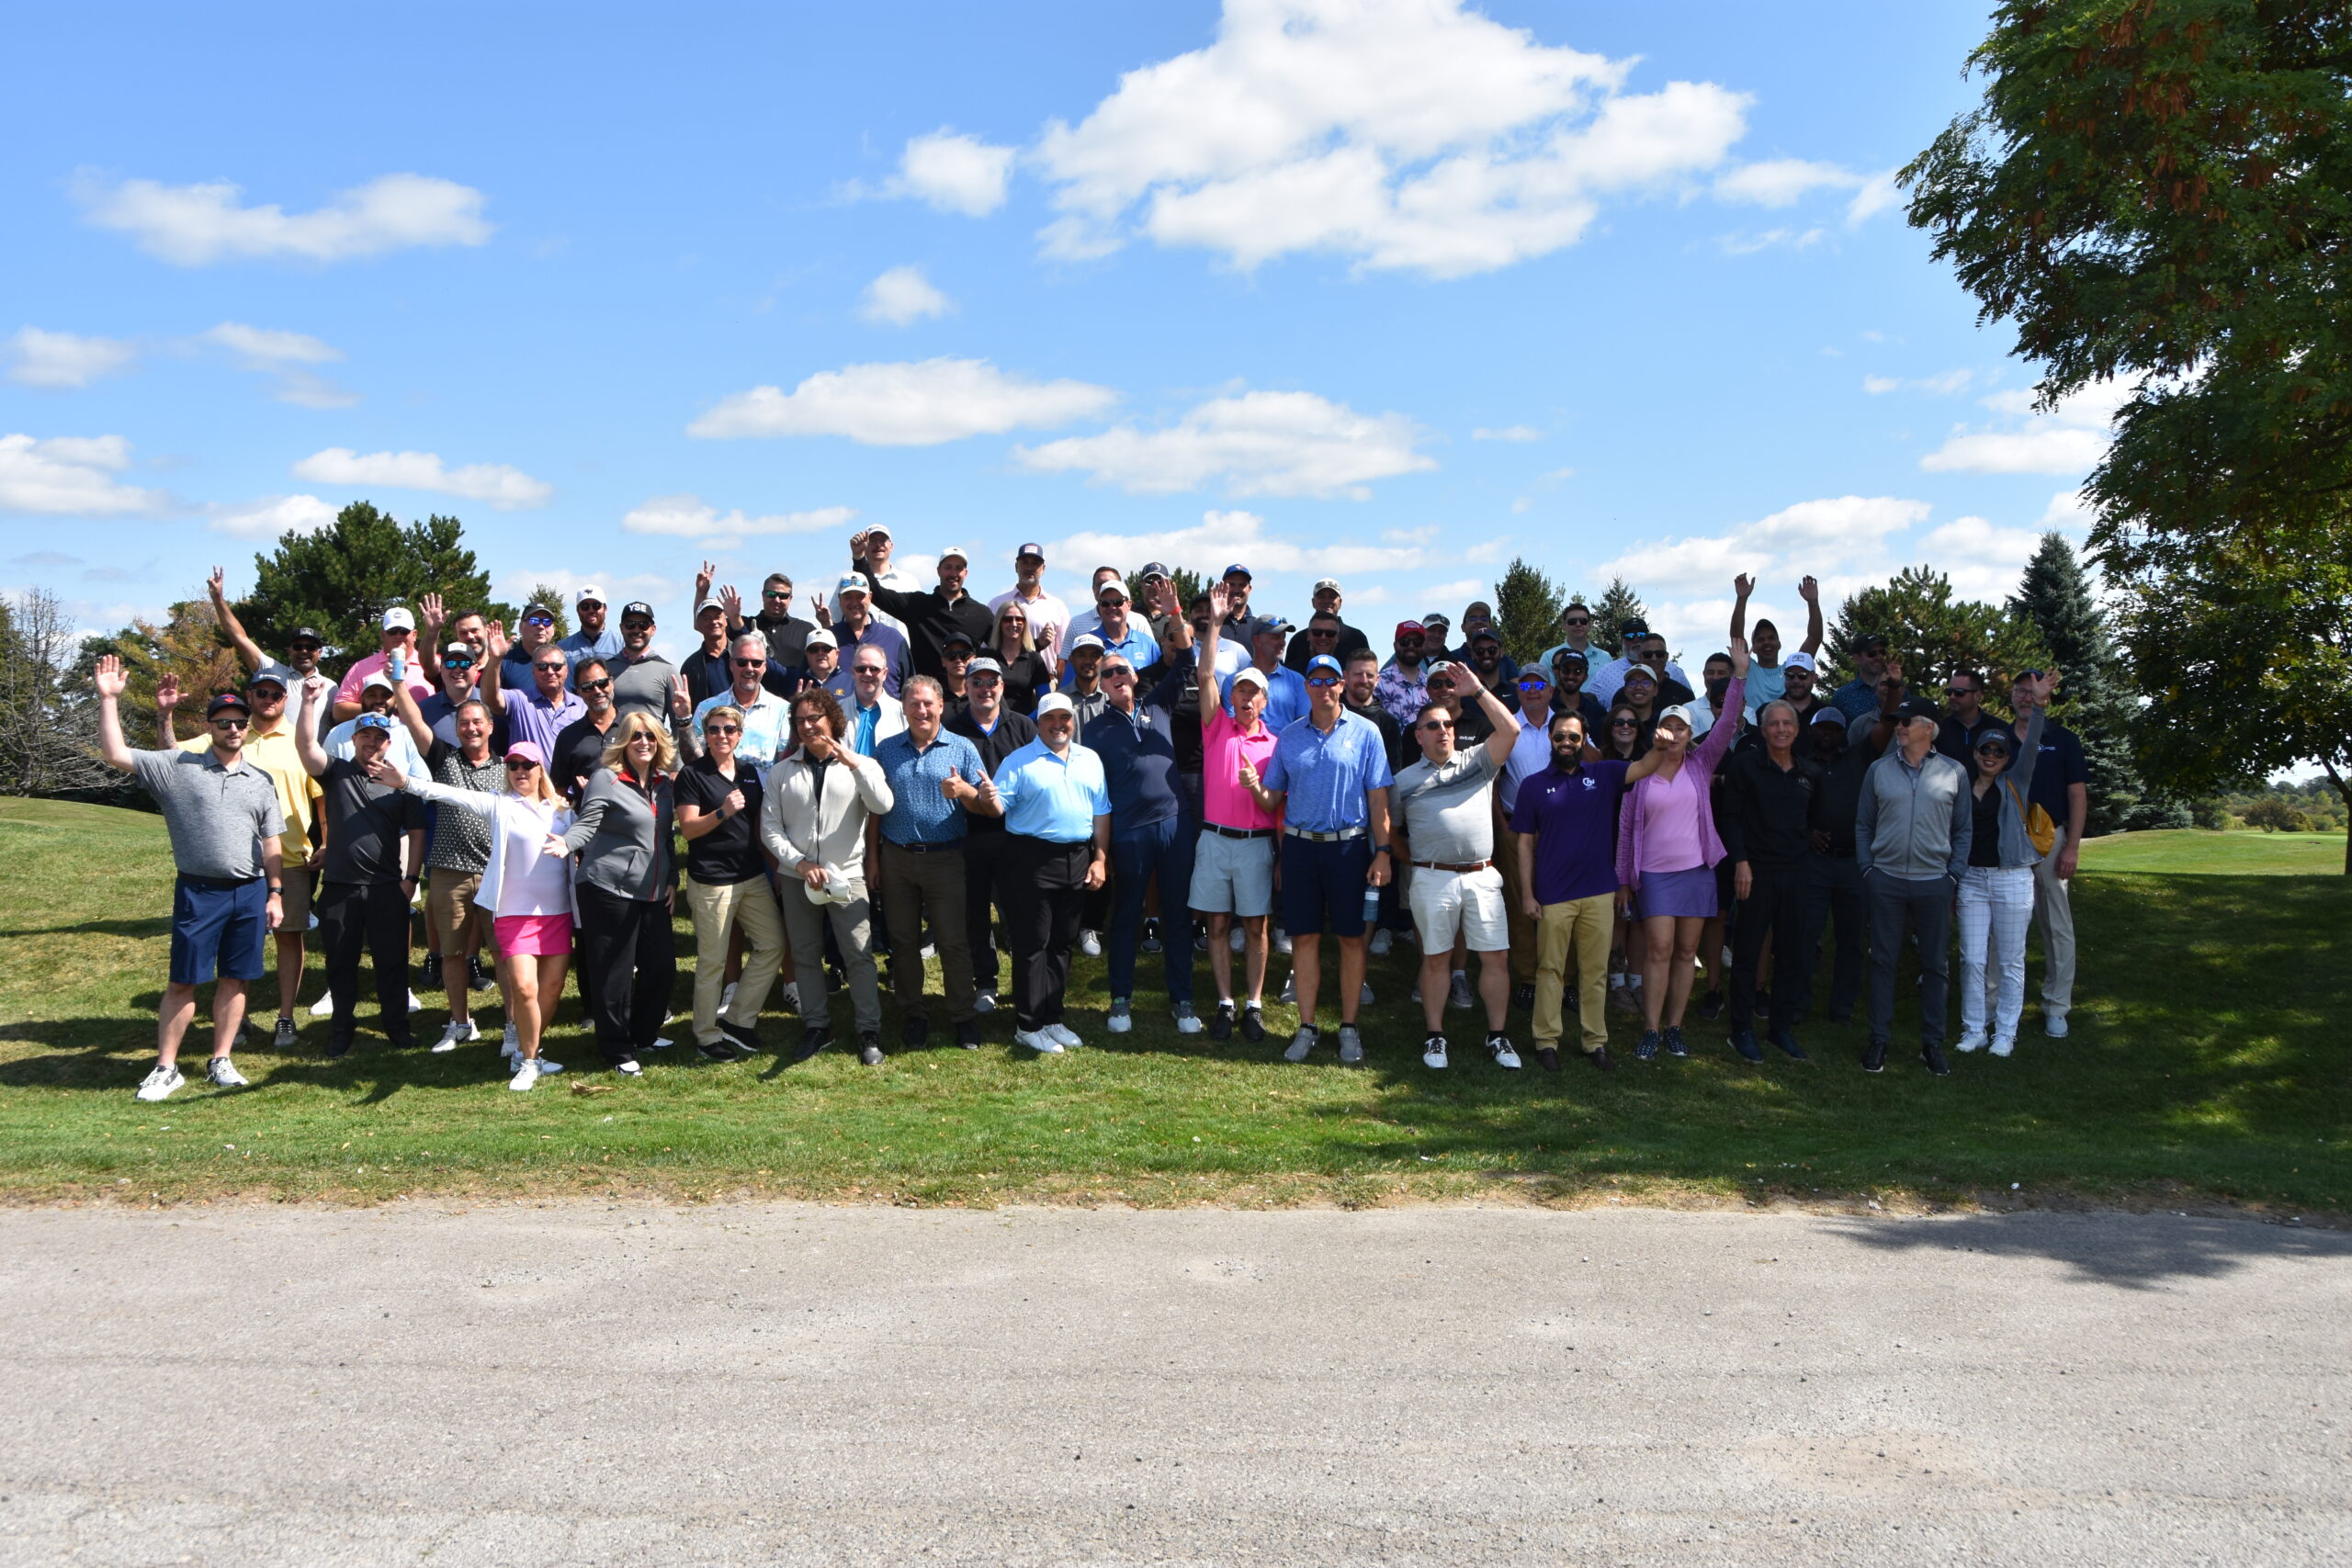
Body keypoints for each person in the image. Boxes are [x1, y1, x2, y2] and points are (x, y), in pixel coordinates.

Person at [95, 657, 286, 1101]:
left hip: (250, 891)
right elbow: (115, 754)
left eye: (239, 722)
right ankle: (166, 1067)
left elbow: (272, 842)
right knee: (184, 981)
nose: (233, 729)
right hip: (200, 891)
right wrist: (108, 700)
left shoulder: (260, 780)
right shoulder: (178, 768)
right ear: (210, 726)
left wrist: (275, 893)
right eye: (223, 722)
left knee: (237, 979)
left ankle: (220, 1059)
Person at [370, 740, 576, 1089]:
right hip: (513, 913)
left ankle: (530, 1049)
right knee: (525, 989)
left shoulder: (562, 810)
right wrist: (405, 782)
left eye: (527, 764)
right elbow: (448, 793)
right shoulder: (499, 805)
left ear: (541, 769)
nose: (520, 772)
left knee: (551, 989)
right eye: (513, 766)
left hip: (557, 915)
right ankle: (528, 1062)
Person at [1241, 653, 1395, 1065]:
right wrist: (1256, 788)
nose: (1324, 688)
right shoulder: (1289, 736)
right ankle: (1306, 1026)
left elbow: (1379, 798)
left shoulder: (1366, 733)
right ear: (1306, 686)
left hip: (1349, 848)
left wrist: (1383, 851)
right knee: (1304, 939)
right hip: (1300, 849)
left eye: (1331, 681)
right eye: (1316, 680)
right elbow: (1274, 797)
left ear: (1342, 684)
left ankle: (1348, 1028)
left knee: (1351, 939)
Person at [162, 663, 321, 1051]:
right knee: (238, 949)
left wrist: (327, 841)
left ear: (286, 699)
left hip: (290, 858)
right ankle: (240, 1020)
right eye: (261, 693)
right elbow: (169, 755)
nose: (268, 699)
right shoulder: (225, 733)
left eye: (276, 694)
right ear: (250, 698)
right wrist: (164, 715)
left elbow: (321, 795)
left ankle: (285, 1017)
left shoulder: (299, 740)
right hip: (233, 866)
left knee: (288, 940)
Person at [1614, 640, 1749, 1061]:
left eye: (1682, 728)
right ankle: (1651, 1029)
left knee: (1688, 953)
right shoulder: (1642, 771)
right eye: (1667, 727)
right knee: (1658, 949)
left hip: (1696, 871)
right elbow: (1624, 830)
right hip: (1654, 874)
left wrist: (1740, 676)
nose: (1674, 734)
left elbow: (1728, 722)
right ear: (1657, 730)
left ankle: (1675, 1027)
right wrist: (1623, 880)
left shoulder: (1701, 763)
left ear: (1691, 735)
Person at [1393, 665, 1521, 1072]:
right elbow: (1386, 829)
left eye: (1447, 724)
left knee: (1496, 958)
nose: (1442, 731)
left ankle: (1498, 1036)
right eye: (1432, 726)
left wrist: (1479, 690)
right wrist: (1412, 859)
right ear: (1419, 736)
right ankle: (1435, 1036)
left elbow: (1511, 731)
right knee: (1436, 959)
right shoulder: (1403, 781)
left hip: (1482, 876)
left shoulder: (1477, 762)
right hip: (1432, 877)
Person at [292, 678, 426, 1059]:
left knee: (392, 965)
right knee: (340, 965)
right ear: (354, 739)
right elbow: (305, 747)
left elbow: (417, 833)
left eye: (379, 737)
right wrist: (308, 703)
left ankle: (396, 1027)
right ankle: (341, 1028)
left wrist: (410, 879)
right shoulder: (335, 773)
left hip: (387, 888)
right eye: (365, 735)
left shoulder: (401, 783)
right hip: (339, 887)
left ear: (389, 742)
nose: (372, 742)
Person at [762, 688, 896, 1063]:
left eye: (814, 719)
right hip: (797, 876)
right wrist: (800, 864)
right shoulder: (782, 771)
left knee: (858, 955)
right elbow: (770, 828)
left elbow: (882, 804)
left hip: (848, 875)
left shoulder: (862, 764)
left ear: (832, 721)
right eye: (800, 721)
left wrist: (851, 762)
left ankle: (869, 1030)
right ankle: (817, 1026)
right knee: (804, 954)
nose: (807, 727)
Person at [1856, 695, 1974, 1075]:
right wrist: (1868, 870)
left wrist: (1952, 875)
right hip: (1886, 880)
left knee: (1935, 965)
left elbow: (1963, 830)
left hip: (1933, 882)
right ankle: (1879, 1040)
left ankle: (1932, 1043)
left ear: (1929, 728)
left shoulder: (1954, 772)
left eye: (1908, 720)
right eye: (1897, 721)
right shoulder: (1878, 770)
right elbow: (1864, 825)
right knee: (1882, 961)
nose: (1900, 727)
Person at [559, 711, 682, 1075]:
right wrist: (566, 844)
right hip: (606, 888)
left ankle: (643, 1034)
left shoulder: (662, 783)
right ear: (624, 742)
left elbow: (664, 838)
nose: (643, 742)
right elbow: (588, 821)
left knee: (661, 967)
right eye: (636, 736)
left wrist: (672, 877)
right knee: (614, 972)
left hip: (654, 891)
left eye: (650, 736)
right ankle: (616, 1048)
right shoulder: (605, 778)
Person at [873, 677, 991, 1051]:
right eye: (914, 704)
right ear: (904, 708)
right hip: (896, 857)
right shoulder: (887, 750)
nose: (921, 711)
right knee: (904, 941)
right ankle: (913, 1014)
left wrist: (966, 792)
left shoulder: (962, 748)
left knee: (954, 941)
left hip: (946, 858)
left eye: (928, 703)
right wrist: (872, 858)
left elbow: (982, 805)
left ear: (941, 705)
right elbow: (875, 808)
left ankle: (963, 1016)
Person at [386, 678, 504, 1049]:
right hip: (448, 870)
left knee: (504, 954)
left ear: (490, 727)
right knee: (451, 953)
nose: (470, 727)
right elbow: (415, 721)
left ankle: (514, 1027)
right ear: (456, 730)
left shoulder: (510, 766)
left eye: (477, 721)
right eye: (464, 723)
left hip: (496, 873)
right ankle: (460, 1023)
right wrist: (397, 683)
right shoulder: (442, 759)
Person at [1085, 652, 1199, 1035]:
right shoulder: (1094, 731)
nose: (1116, 677)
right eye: (1108, 674)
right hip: (1129, 832)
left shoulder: (1159, 705)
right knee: (1126, 915)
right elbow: (1094, 794)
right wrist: (1101, 850)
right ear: (1101, 684)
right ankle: (1120, 997)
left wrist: (1175, 611)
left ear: (1134, 676)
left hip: (1174, 823)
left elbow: (1186, 663)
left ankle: (1182, 1000)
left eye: (1122, 670)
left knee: (1178, 914)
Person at [990, 692, 1110, 1053]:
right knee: (1032, 944)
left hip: (1077, 857)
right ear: (1038, 723)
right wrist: (984, 794)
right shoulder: (1019, 760)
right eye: (1050, 719)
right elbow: (998, 806)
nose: (1059, 725)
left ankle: (1053, 1017)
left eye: (1065, 718)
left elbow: (1101, 813)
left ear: (1073, 721)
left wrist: (1100, 859)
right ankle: (1028, 1025)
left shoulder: (1090, 758)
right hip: (1031, 858)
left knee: (1062, 941)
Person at [1512, 711, 1629, 1071]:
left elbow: (1648, 766)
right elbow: (1525, 846)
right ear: (1550, 738)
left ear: (1584, 740)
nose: (1566, 743)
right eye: (1560, 736)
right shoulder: (1532, 785)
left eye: (1574, 738)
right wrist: (1528, 895)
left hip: (1598, 890)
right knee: (1550, 969)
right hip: (1554, 893)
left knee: (1594, 971)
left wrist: (1664, 744)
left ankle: (1595, 1042)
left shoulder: (1604, 774)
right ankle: (1546, 1041)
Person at [675, 702, 788, 1062]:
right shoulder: (692, 775)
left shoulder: (750, 773)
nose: (721, 736)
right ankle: (706, 1036)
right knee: (711, 962)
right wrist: (723, 811)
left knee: (772, 944)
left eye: (728, 729)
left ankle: (738, 1020)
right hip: (712, 882)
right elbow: (689, 830)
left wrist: (775, 871)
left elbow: (757, 828)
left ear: (739, 735)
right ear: (704, 735)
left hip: (752, 875)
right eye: (713, 730)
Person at [1192, 594, 1282, 1041]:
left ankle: (1254, 1005)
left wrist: (1257, 788)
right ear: (1232, 698)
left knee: (1256, 926)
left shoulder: (1274, 744)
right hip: (1214, 840)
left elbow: (1272, 806)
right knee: (1218, 924)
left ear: (1264, 701)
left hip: (1256, 843)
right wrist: (1216, 624)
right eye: (1240, 690)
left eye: (1253, 692)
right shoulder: (1217, 728)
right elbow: (1205, 673)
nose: (1246, 698)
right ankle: (1225, 1003)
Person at [1956, 673, 2059, 1056]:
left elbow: (2031, 743)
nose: (1992, 756)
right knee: (1971, 958)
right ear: (1976, 752)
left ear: (2006, 758)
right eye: (1986, 750)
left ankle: (2005, 1032)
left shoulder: (2017, 780)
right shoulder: (1962, 785)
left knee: (2011, 960)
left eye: (1999, 752)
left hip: (2013, 878)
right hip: (1972, 879)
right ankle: (1974, 1028)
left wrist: (2041, 705)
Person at [1719, 699, 1823, 1063]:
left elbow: (1811, 820)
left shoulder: (1809, 772)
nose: (1781, 729)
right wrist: (1741, 863)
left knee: (1793, 952)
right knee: (1747, 953)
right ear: (1762, 732)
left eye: (1787, 723)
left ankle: (1780, 1029)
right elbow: (1730, 818)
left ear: (1796, 729)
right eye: (1773, 724)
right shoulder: (1746, 765)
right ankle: (1741, 1030)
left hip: (1796, 872)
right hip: (1755, 871)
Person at [946, 656, 1036, 1015]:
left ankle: (1024, 984)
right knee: (975, 915)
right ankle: (985, 982)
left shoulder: (1024, 727)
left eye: (992, 682)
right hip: (967, 836)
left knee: (1019, 914)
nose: (985, 688)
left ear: (1002, 686)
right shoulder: (952, 729)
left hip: (1015, 836)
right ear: (966, 687)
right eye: (977, 682)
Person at [2008, 669, 2088, 1037]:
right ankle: (1997, 1002)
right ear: (2012, 696)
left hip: (2050, 838)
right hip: (2005, 839)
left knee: (2057, 924)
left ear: (2045, 696)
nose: (2026, 697)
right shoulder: (1998, 737)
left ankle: (2057, 1005)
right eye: (2020, 691)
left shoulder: (2063, 740)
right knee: (2002, 921)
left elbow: (2077, 795)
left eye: (2033, 691)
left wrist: (2071, 845)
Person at [1494, 662, 1557, 1009]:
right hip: (1515, 826)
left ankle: (1564, 977)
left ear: (1550, 691)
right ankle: (1530, 978)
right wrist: (1502, 827)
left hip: (1560, 831)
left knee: (1560, 905)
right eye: (1526, 685)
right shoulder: (1507, 726)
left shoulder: (1566, 726)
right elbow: (1492, 779)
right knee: (1520, 906)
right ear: (1518, 691)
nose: (1532, 691)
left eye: (1539, 685)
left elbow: (1592, 762)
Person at [857, 536, 994, 680]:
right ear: (938, 570)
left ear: (966, 573)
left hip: (967, 696)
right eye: (948, 567)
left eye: (959, 568)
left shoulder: (982, 614)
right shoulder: (917, 604)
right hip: (926, 695)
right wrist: (859, 559)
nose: (953, 574)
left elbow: (1004, 649)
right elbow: (879, 594)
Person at [684, 633, 792, 765]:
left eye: (756, 663)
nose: (749, 668)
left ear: (765, 667)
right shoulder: (706, 708)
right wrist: (682, 719)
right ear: (731, 664)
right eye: (742, 662)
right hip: (719, 785)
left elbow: (786, 762)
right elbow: (694, 760)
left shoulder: (783, 709)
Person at [1731, 574, 1824, 716]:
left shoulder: (1792, 670)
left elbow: (1814, 639)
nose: (1767, 642)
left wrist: (1813, 602)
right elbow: (1737, 636)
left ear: (1779, 644)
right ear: (1753, 648)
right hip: (1754, 734)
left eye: (1771, 638)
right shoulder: (1747, 668)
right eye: (1760, 640)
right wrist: (1742, 598)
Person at [493, 638, 587, 773]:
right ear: (533, 671)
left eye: (556, 666)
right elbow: (491, 697)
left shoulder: (582, 707)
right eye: (542, 667)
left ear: (566, 671)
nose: (550, 671)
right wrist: (495, 661)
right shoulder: (519, 700)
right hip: (530, 789)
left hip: (571, 791)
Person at [332, 606, 435, 720]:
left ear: (414, 634)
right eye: (392, 631)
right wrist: (379, 708)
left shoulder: (431, 665)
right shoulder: (361, 668)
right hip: (376, 736)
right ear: (383, 635)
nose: (398, 636)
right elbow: (338, 711)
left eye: (404, 631)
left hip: (422, 736)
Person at [820, 573, 912, 695]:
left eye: (860, 596)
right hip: (839, 713)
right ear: (839, 599)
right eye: (848, 597)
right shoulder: (827, 640)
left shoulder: (894, 639)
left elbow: (910, 688)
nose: (854, 602)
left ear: (870, 597)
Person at [989, 542, 1074, 664]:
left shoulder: (1057, 607)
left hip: (1044, 679)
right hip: (1003, 678)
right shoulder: (996, 604)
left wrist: (1061, 683)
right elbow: (987, 647)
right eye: (1025, 562)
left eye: (1035, 563)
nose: (1029, 568)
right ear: (1016, 567)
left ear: (1043, 569)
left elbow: (1064, 655)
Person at [548, 657, 617, 803]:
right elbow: (559, 789)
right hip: (586, 821)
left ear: (612, 683)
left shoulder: (633, 727)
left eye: (602, 683)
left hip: (631, 820)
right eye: (587, 687)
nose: (596, 691)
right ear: (578, 692)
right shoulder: (568, 736)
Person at [1223, 617, 1307, 731]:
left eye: (1284, 637)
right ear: (1257, 640)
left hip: (1286, 748)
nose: (1282, 642)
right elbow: (1234, 725)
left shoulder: (1297, 681)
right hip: (1246, 748)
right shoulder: (1232, 681)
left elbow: (1303, 727)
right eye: (1276, 637)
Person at [1590, 618, 1690, 707]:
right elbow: (1591, 706)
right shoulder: (1605, 673)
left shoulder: (1674, 671)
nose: (1636, 639)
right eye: (1630, 636)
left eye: (1641, 635)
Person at [606, 602, 678, 726]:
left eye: (643, 625)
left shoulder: (668, 671)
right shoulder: (606, 669)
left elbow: (678, 724)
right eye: (630, 625)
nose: (636, 630)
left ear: (653, 630)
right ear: (622, 628)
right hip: (613, 744)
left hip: (652, 744)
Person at [832, 644, 908, 756]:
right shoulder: (836, 711)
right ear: (853, 672)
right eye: (861, 669)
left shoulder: (903, 712)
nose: (867, 674)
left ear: (885, 674)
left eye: (874, 669)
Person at [738, 571, 817, 678]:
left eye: (783, 596)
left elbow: (829, 655)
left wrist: (826, 623)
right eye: (771, 594)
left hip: (794, 694)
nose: (777, 600)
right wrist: (706, 594)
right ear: (763, 595)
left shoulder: (806, 629)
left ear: (790, 599)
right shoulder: (744, 625)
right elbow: (712, 624)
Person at [1283, 579, 1372, 671]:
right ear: (1313, 602)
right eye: (1321, 597)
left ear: (1340, 602)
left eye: (1332, 597)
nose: (1326, 601)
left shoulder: (1357, 638)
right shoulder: (1297, 640)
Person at [988, 598, 1054, 715]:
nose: (1014, 624)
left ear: (1025, 623)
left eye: (1019, 619)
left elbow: (1046, 702)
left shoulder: (1035, 659)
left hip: (1024, 725)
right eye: (1007, 619)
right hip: (990, 722)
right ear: (999, 622)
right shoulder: (986, 657)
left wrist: (1026, 723)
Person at [680, 593, 738, 708]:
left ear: (726, 621)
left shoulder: (743, 657)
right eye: (707, 618)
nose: (713, 622)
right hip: (706, 725)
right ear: (698, 624)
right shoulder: (690, 665)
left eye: (718, 616)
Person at [559, 584, 625, 681]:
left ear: (605, 608)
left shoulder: (622, 644)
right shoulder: (563, 648)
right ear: (578, 610)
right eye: (585, 606)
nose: (591, 610)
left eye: (596, 605)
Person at [1934, 670, 2004, 761]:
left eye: (1959, 692)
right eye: (1949, 692)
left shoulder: (1999, 729)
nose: (1952, 697)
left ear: (1978, 696)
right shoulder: (1938, 730)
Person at [1375, 620, 1431, 731]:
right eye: (1405, 641)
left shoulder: (1431, 684)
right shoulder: (1378, 682)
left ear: (1424, 646)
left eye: (1417, 642)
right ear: (1395, 645)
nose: (1411, 646)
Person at [499, 603, 562, 695]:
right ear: (521, 627)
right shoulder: (504, 663)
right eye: (534, 621)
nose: (541, 626)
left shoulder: (564, 664)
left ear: (553, 630)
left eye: (546, 622)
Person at [1831, 634, 1895, 720]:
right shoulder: (1842, 696)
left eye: (1882, 652)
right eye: (1872, 654)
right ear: (1857, 659)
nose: (1878, 657)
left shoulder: (1896, 688)